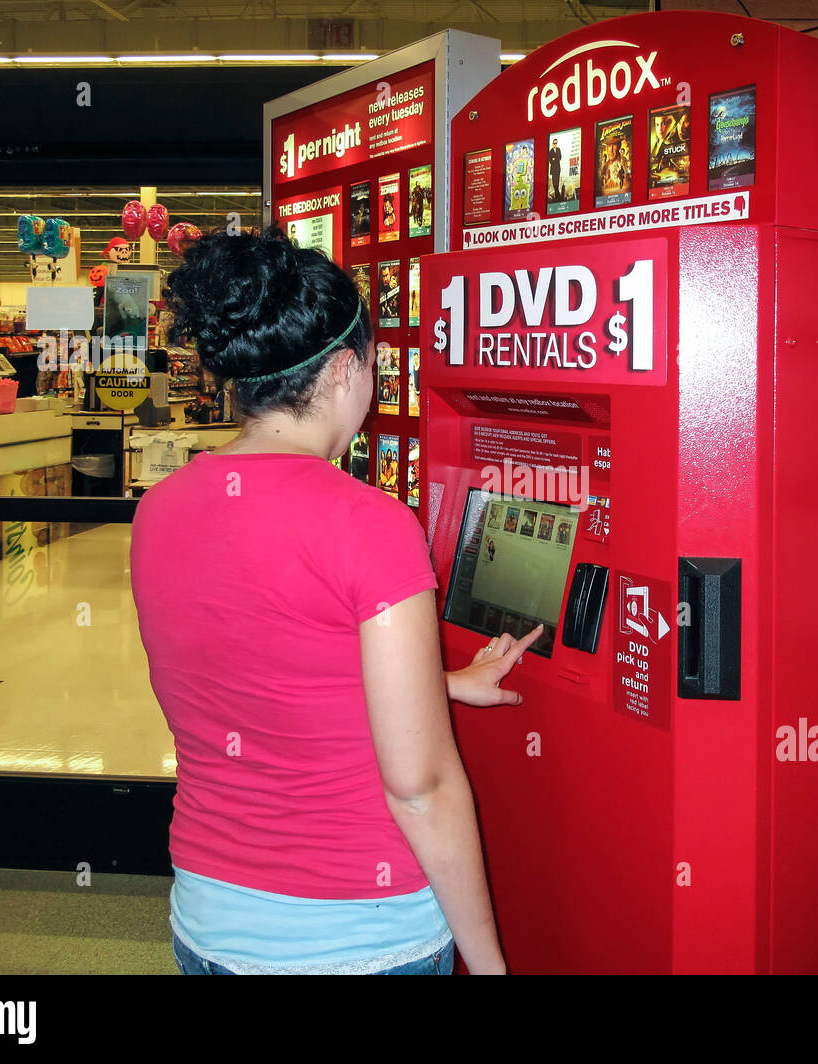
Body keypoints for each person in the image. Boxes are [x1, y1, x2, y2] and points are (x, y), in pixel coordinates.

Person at [131, 225, 541, 975]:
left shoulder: (160, 510)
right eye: (377, 364)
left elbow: (266, 680)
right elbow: (420, 786)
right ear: (346, 369)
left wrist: (437, 685)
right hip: (359, 938)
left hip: (208, 921)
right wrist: (488, 962)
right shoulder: (371, 526)